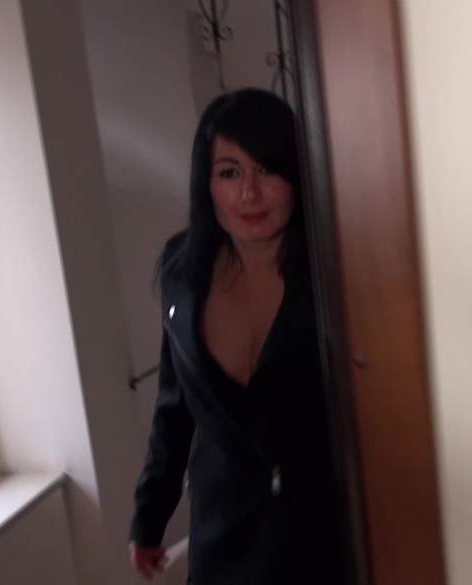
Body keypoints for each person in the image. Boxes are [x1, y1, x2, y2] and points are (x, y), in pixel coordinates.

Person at [129, 88, 343, 585]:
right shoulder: (182, 270)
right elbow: (174, 407)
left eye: (266, 170)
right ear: (206, 183)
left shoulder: (336, 270)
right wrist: (149, 515)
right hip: (222, 533)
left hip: (323, 533)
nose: (249, 194)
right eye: (229, 173)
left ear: (295, 175)